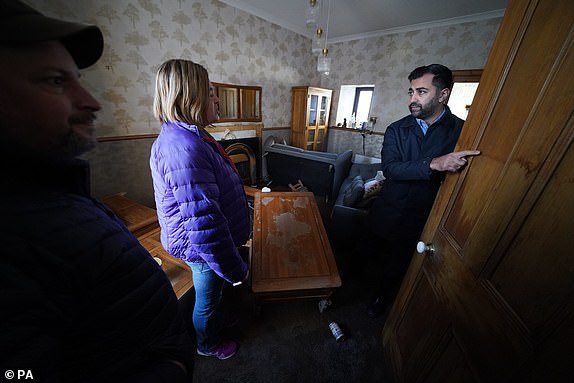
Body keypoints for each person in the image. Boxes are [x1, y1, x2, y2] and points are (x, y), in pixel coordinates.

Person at [0, 1, 194, 381]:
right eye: (56, 80)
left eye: (77, 78)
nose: (93, 102)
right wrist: (169, 369)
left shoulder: (51, 197)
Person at [360, 64, 480, 318]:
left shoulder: (462, 131)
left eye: (421, 92)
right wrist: (434, 164)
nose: (412, 99)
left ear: (443, 94)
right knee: (367, 254)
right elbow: (391, 169)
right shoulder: (397, 129)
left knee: (398, 265)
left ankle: (381, 299)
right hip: (387, 209)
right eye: (411, 92)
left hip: (423, 216)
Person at [150, 59, 250, 360]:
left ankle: (218, 321)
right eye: (208, 92)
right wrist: (236, 270)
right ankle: (207, 344)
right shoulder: (184, 147)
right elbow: (205, 225)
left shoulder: (193, 136)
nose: (216, 98)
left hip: (207, 243)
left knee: (215, 295)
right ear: (187, 96)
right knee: (206, 300)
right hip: (200, 248)